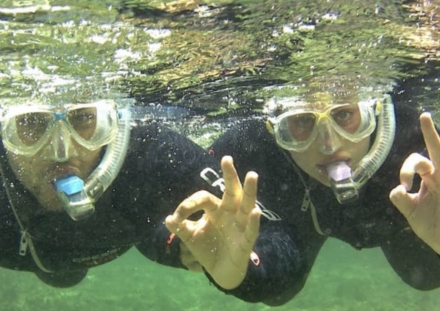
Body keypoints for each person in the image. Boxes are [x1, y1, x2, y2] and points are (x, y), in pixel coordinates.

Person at [165, 81, 440, 306]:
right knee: (277, 289)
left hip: (401, 224)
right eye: (302, 122)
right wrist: (207, 256)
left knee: (426, 276)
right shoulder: (252, 144)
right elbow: (163, 208)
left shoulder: (417, 136)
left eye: (344, 115)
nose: (328, 144)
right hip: (299, 223)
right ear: (276, 129)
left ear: (373, 111)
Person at [0, 93, 260, 289]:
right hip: (45, 260)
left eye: (82, 118)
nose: (62, 151)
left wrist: (242, 272)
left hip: (133, 230)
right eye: (30, 122)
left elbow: (267, 248)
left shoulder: (147, 150)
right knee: (62, 278)